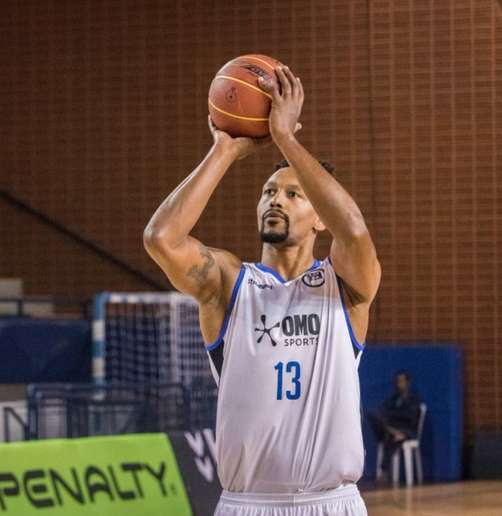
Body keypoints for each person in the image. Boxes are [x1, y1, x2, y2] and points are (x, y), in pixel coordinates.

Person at [144, 66, 380, 515]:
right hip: (246, 504)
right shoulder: (229, 285)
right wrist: (223, 150)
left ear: (319, 219)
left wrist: (286, 139)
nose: (275, 199)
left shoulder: (344, 286)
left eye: (294, 195)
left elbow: (353, 229)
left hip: (331, 503)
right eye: (270, 191)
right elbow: (161, 239)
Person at [368, 370, 422, 475]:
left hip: (407, 430)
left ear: (408, 382)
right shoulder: (393, 398)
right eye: (397, 381)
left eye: (402, 381)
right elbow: (385, 411)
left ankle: (395, 434)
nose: (399, 384)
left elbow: (410, 417)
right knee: (374, 415)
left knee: (392, 439)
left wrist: (394, 415)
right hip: (391, 427)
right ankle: (392, 432)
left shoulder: (413, 399)